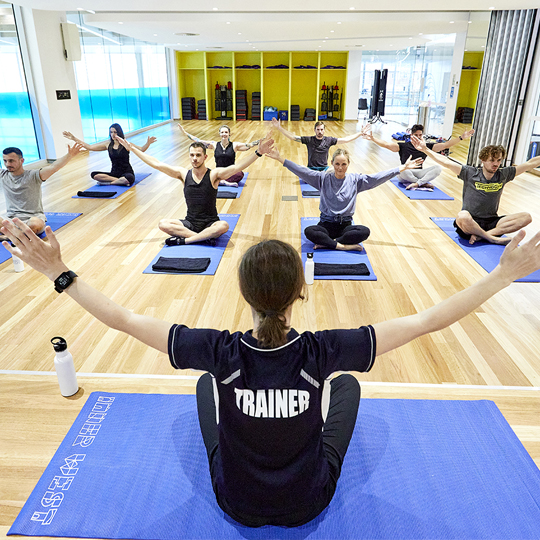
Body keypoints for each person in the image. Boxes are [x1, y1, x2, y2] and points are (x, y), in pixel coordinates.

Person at [2, 221, 540, 528]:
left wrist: (56, 270)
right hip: (310, 501)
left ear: (243, 295)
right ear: (300, 293)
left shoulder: (217, 352)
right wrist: (502, 275)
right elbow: (426, 322)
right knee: (348, 386)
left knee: (203, 385)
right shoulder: (325, 352)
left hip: (233, 499)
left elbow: (121, 319)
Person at [115, 135, 274, 245]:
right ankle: (201, 239)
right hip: (190, 223)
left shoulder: (214, 175)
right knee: (163, 224)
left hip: (211, 223)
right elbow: (156, 164)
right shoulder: (183, 174)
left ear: (205, 157)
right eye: (192, 155)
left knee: (223, 226)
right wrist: (132, 149)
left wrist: (258, 152)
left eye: (198, 155)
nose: (195, 158)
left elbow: (237, 167)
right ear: (189, 156)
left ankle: (187, 240)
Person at [266, 146, 422, 250]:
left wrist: (400, 169)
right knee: (310, 231)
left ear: (348, 164)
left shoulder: (356, 180)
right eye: (337, 164)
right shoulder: (322, 179)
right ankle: (342, 246)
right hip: (325, 224)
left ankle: (327, 243)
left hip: (345, 225)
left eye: (344, 164)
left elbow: (376, 178)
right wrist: (281, 159)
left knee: (364, 231)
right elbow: (302, 171)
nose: (340, 168)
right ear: (332, 163)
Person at [411, 136, 539, 245]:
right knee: (462, 216)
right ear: (483, 160)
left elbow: (530, 163)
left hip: (492, 222)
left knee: (526, 217)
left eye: (499, 160)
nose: (496, 164)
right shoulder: (470, 173)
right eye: (492, 160)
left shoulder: (504, 174)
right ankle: (491, 238)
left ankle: (484, 235)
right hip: (470, 223)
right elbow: (446, 162)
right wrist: (425, 149)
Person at [0, 144, 83, 240]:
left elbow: (53, 167)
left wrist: (69, 155)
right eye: (5, 161)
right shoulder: (3, 175)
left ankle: (8, 236)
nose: (7, 164)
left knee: (35, 224)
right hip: (10, 219)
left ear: (21, 161)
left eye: (11, 161)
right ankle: (18, 235)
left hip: (31, 219)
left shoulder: (33, 176)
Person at [363, 124, 474, 190]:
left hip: (419, 172)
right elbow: (386, 144)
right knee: (402, 170)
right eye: (415, 135)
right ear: (411, 135)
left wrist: (461, 137)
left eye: (420, 135)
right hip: (406, 173)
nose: (418, 137)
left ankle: (418, 183)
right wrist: (373, 139)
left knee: (438, 168)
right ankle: (421, 183)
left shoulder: (426, 146)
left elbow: (445, 145)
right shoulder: (403, 146)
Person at [63, 124, 156, 186]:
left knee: (129, 178)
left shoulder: (126, 144)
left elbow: (141, 150)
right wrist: (74, 138)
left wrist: (148, 143)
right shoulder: (107, 145)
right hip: (114, 173)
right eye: (111, 132)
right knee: (94, 175)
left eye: (115, 132)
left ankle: (109, 183)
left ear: (119, 133)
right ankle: (116, 181)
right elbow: (90, 147)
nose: (113, 134)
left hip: (126, 172)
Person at [178, 124, 260, 187]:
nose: (224, 134)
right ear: (219, 134)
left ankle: (220, 181)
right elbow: (198, 140)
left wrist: (262, 140)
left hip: (230, 171)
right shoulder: (214, 145)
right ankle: (224, 182)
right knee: (206, 173)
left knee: (240, 174)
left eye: (226, 132)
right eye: (222, 132)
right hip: (219, 171)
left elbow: (249, 145)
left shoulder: (235, 145)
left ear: (229, 134)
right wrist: (185, 133)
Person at [271, 118, 368, 170]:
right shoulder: (309, 140)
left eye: (322, 129)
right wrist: (279, 128)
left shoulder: (329, 140)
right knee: (300, 168)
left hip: (324, 169)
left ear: (324, 130)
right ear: (315, 130)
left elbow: (346, 139)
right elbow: (293, 137)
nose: (320, 132)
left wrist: (360, 133)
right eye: (318, 130)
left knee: (335, 170)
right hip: (311, 169)